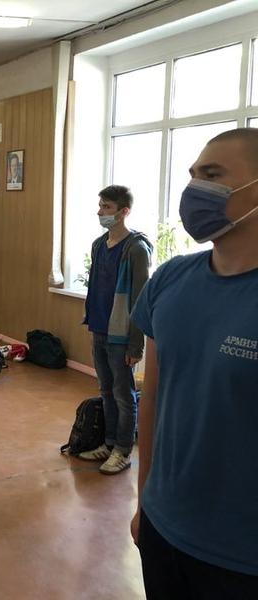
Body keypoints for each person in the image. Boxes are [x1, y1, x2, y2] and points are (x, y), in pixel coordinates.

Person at [130, 128, 258, 597]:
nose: (194, 189)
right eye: (192, 175)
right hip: (164, 528)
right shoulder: (169, 280)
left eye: (212, 174)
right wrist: (145, 500)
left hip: (242, 558)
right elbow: (152, 399)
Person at [79, 185, 152, 475]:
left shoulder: (136, 249)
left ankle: (123, 450)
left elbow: (140, 300)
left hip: (122, 335)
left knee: (124, 394)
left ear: (124, 212)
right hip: (99, 327)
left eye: (106, 207)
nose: (100, 212)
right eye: (100, 206)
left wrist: (136, 345)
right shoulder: (99, 245)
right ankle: (109, 443)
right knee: (106, 389)